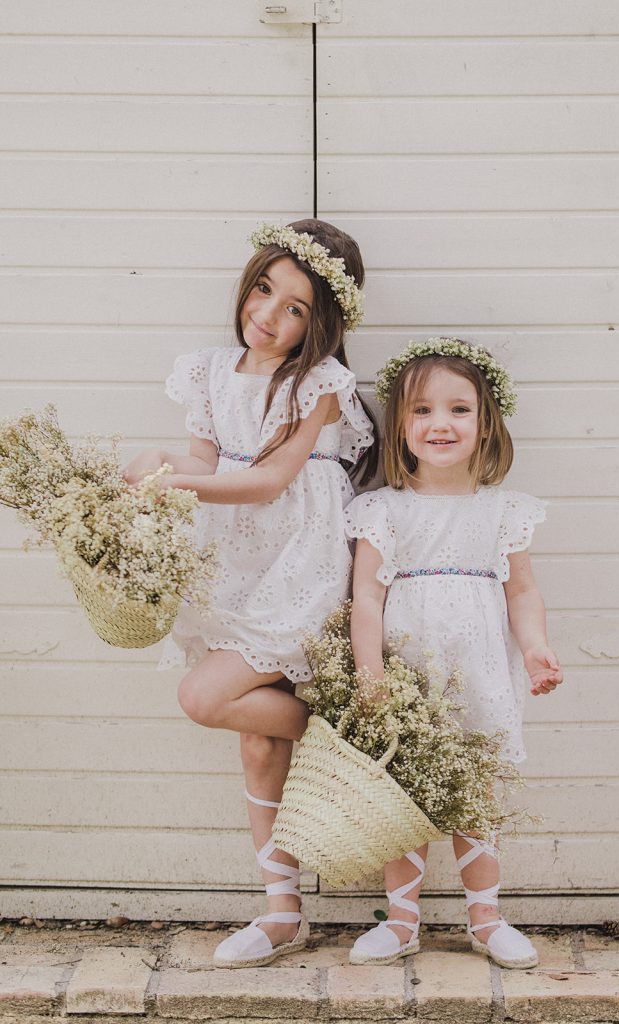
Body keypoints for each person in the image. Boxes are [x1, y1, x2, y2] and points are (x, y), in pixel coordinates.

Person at [124, 219, 377, 968]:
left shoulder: (320, 386)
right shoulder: (206, 370)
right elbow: (211, 460)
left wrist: (176, 476)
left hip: (299, 561)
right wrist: (155, 461)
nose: (268, 314)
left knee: (205, 696)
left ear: (319, 324)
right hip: (235, 561)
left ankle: (351, 744)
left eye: (294, 307)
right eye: (264, 289)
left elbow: (267, 480)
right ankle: (280, 912)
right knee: (257, 738)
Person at [344, 337, 563, 969]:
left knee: (475, 794)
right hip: (408, 678)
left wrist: (537, 648)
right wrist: (370, 678)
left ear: (486, 421)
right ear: (401, 427)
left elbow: (521, 590)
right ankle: (403, 920)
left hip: (481, 676)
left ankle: (486, 917)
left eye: (459, 410)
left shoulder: (501, 511)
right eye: (422, 410)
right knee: (405, 793)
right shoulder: (383, 510)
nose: (440, 423)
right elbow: (366, 601)